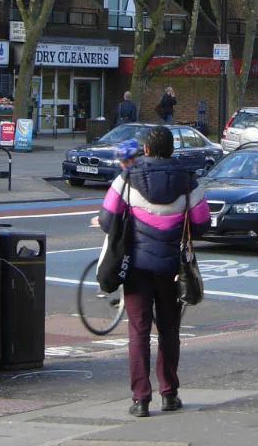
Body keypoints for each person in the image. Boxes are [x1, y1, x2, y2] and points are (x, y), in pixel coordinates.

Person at [97, 125, 208, 417]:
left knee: (138, 332)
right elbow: (202, 223)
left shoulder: (127, 178)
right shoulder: (188, 180)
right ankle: (169, 394)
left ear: (145, 149)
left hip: (136, 267)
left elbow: (107, 219)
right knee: (169, 332)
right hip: (171, 269)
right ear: (172, 150)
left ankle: (140, 399)